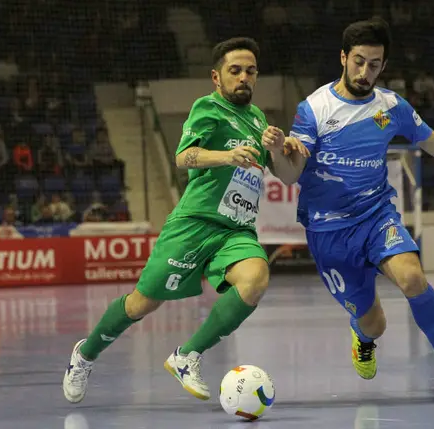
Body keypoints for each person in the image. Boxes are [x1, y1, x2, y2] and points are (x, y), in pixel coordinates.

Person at [262, 18, 434, 402]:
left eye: (374, 64)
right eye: (358, 61)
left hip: (376, 215)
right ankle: (362, 335)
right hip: (329, 231)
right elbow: (290, 175)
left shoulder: (392, 107)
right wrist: (278, 152)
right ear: (343, 57)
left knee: (413, 278)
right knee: (375, 323)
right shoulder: (314, 108)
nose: (364, 72)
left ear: (383, 66)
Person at [63, 37, 309, 404]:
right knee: (142, 304)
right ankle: (85, 354)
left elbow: (288, 178)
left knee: (256, 278)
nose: (244, 77)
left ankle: (187, 355)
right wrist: (226, 157)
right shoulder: (207, 108)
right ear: (217, 77)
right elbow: (183, 157)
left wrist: (280, 150)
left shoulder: (258, 119)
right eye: (235, 70)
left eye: (251, 71)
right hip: (195, 223)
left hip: (236, 230)